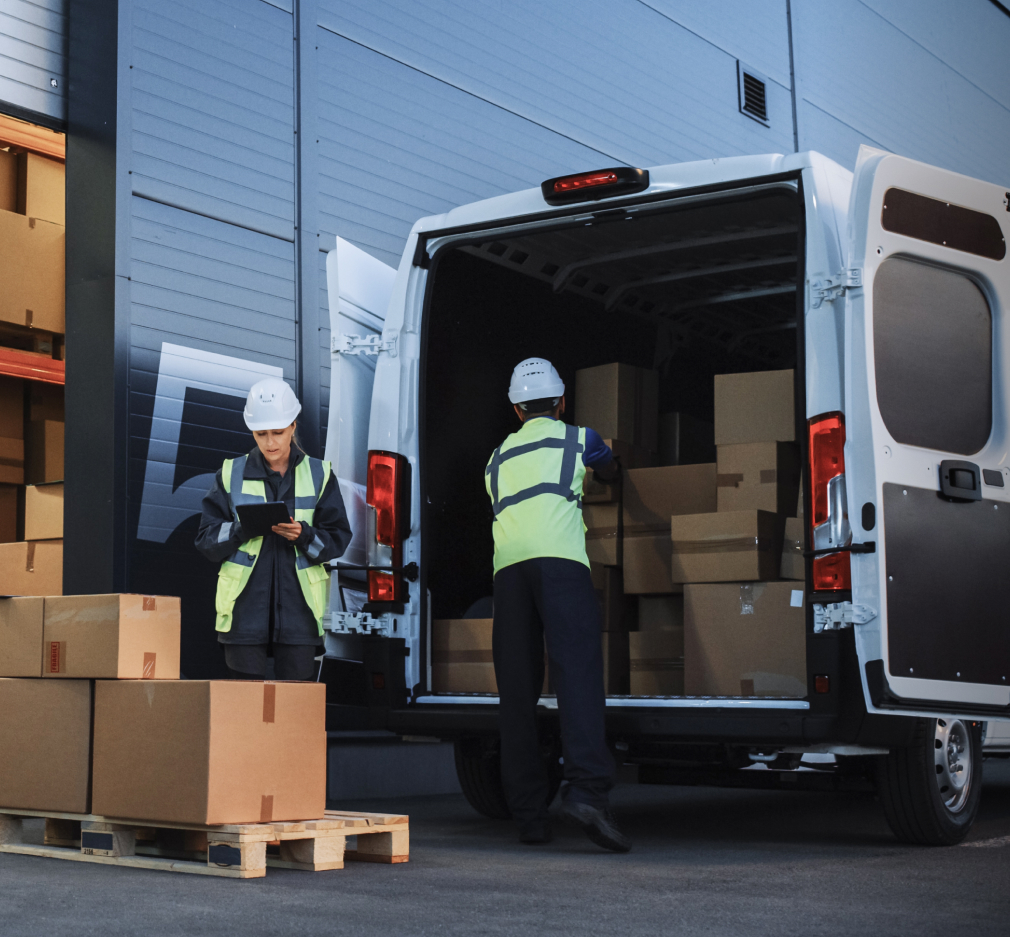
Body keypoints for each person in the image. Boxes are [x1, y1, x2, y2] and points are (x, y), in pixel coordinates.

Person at [485, 357, 630, 853]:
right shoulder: (579, 438)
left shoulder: (496, 458)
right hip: (561, 565)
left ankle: (529, 817)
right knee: (577, 676)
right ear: (561, 402)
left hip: (508, 573)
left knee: (517, 692)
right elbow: (610, 470)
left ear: (516, 409)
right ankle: (587, 792)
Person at [195, 377, 352, 680]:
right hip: (243, 616)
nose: (270, 443)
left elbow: (337, 539)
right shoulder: (229, 473)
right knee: (247, 703)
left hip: (300, 616)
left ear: (293, 425)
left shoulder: (319, 474)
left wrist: (304, 535)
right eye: (261, 433)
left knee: (294, 704)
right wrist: (242, 529)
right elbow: (206, 540)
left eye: (278, 432)